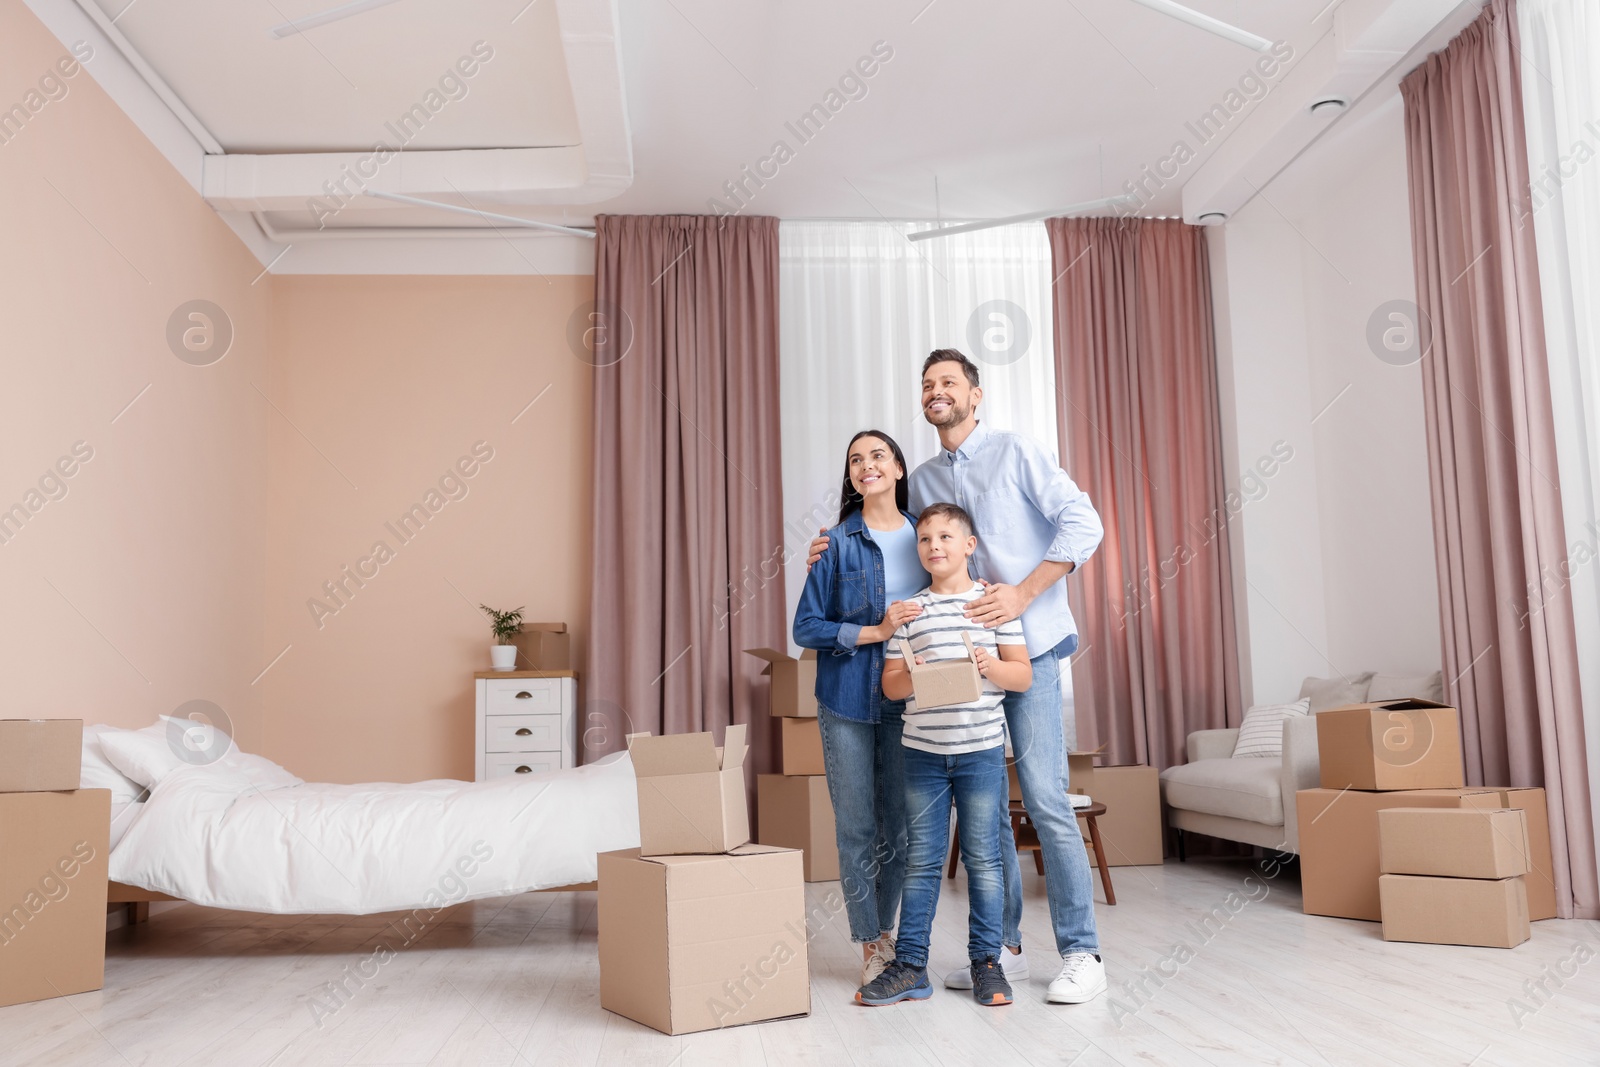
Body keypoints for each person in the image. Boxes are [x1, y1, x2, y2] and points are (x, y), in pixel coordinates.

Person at [809, 349, 1107, 1005]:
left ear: (976, 393)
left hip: (1027, 642)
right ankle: (1003, 949)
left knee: (1046, 798)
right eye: (927, 385)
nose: (936, 391)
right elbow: (900, 544)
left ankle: (1083, 951)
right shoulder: (924, 481)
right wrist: (828, 550)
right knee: (988, 807)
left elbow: (1086, 522)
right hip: (959, 669)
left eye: (949, 382)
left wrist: (1023, 594)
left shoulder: (1017, 451)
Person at [855, 503, 1031, 1008]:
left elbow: (1022, 675)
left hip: (980, 754)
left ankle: (987, 964)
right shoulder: (911, 612)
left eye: (946, 537)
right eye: (926, 539)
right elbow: (891, 689)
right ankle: (911, 966)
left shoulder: (993, 605)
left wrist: (989, 664)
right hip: (923, 757)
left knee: (984, 861)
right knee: (921, 862)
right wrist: (917, 674)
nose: (934, 546)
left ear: (969, 545)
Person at [792, 430, 925, 986]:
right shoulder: (836, 543)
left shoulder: (926, 538)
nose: (866, 465)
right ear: (851, 477)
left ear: (897, 468)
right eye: (855, 460)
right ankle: (871, 942)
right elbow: (805, 627)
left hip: (909, 699)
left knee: (899, 828)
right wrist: (875, 631)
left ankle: (887, 929)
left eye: (877, 456)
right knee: (856, 828)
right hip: (845, 700)